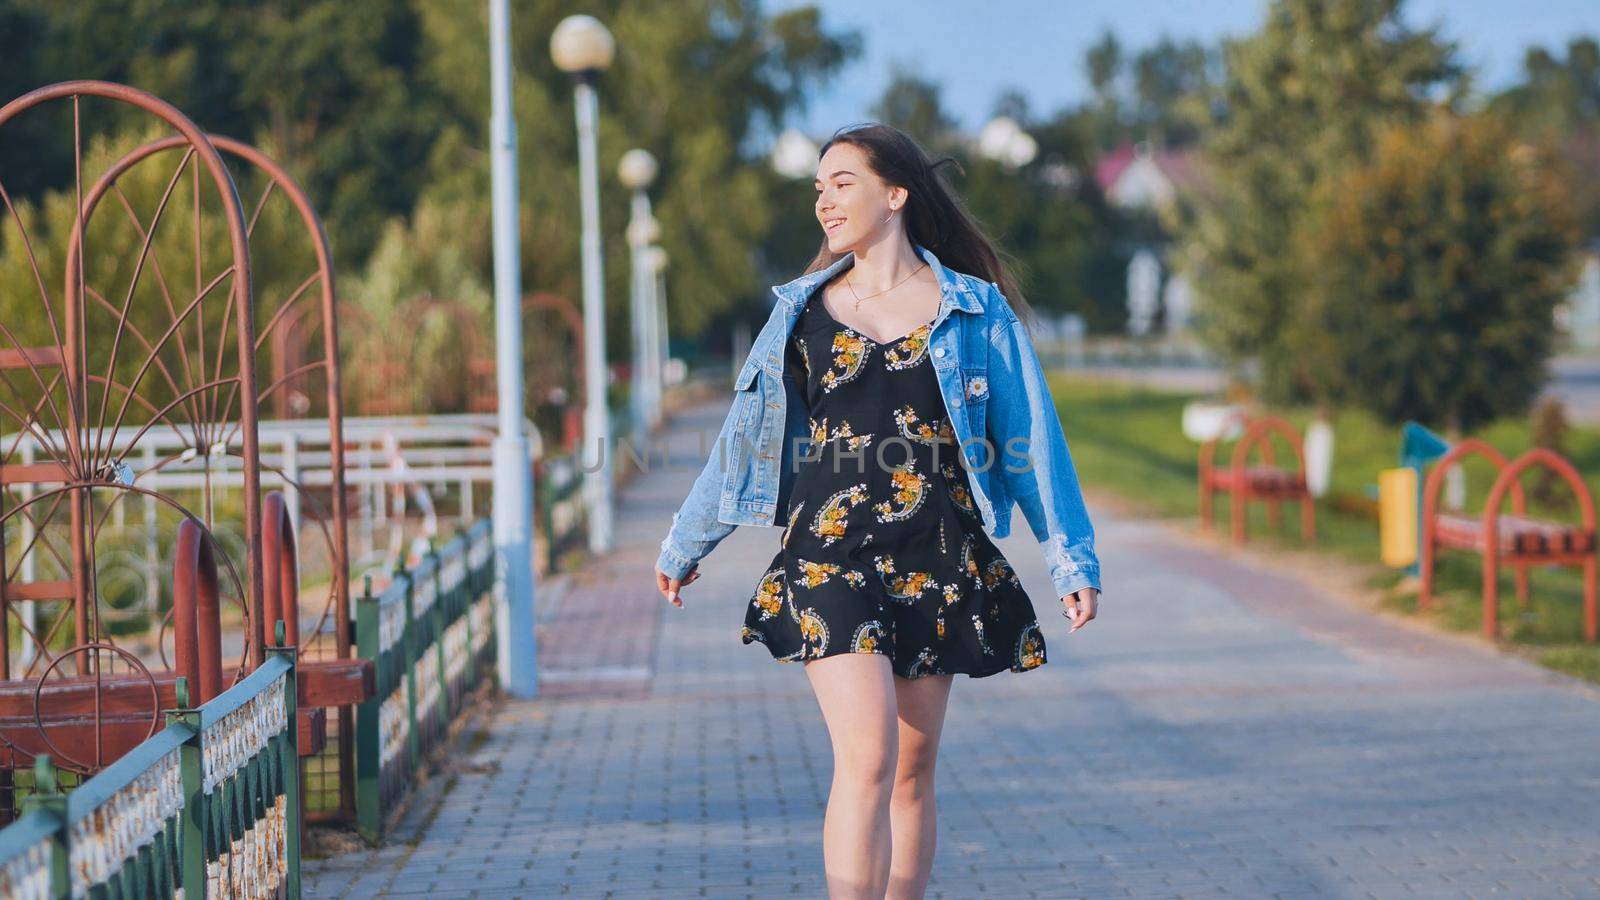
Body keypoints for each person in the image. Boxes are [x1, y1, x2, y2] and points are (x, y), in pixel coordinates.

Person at [652, 122, 1103, 899]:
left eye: (841, 183)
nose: (824, 201)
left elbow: (1030, 439)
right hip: (828, 555)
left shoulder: (973, 309)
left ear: (895, 195)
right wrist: (683, 542)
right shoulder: (799, 314)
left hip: (938, 551)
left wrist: (1070, 556)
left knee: (911, 770)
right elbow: (743, 446)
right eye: (818, 188)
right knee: (866, 759)